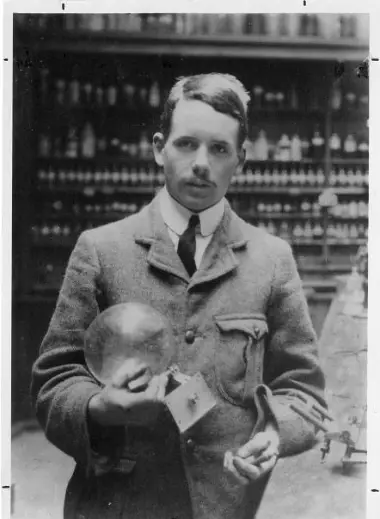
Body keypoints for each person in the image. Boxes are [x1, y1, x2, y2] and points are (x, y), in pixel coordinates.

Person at [31, 73, 327, 519]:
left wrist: (275, 430)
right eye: (186, 143)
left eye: (220, 149)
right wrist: (99, 408)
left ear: (241, 159)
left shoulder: (272, 259)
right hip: (122, 502)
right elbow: (53, 383)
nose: (202, 163)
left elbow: (303, 391)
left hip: (227, 503)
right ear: (158, 148)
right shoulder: (101, 249)